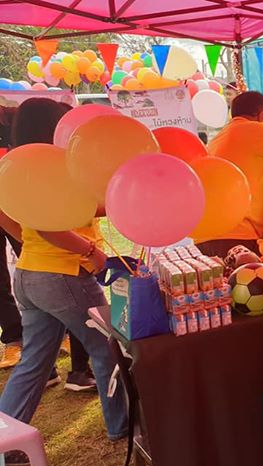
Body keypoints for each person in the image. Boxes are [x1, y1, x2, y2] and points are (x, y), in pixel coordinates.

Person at [0, 99, 129, 461]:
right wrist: (89, 250)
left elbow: (14, 216)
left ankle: (6, 440)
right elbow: (48, 225)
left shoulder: (20, 166)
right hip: (64, 275)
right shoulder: (52, 165)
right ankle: (121, 425)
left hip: (31, 273)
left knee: (34, 362)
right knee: (107, 348)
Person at [199, 91, 263, 258]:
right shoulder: (253, 129)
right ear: (262, 115)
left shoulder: (221, 136)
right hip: (236, 235)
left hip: (207, 235)